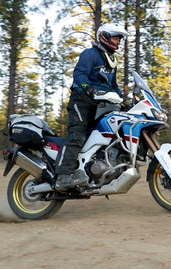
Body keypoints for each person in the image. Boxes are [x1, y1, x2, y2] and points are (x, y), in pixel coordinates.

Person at [55, 23, 129, 191]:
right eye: (115, 38)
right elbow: (79, 74)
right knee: (78, 135)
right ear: (105, 36)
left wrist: (123, 100)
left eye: (119, 39)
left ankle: (91, 170)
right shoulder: (91, 54)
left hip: (100, 105)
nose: (118, 42)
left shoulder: (110, 60)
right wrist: (88, 88)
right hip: (82, 100)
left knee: (102, 136)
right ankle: (63, 175)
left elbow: (113, 85)